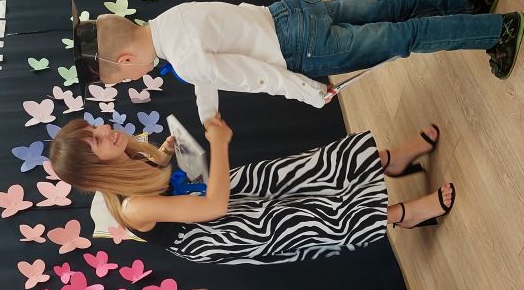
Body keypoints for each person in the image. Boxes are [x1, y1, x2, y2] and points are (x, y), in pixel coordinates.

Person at [70, 0, 524, 123]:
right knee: (386, 7)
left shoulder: (184, 61)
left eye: (124, 77)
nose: (132, 78)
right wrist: (209, 117)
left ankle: (496, 31)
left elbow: (257, 75)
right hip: (292, 13)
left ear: (124, 61)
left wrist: (310, 93)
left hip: (303, 49)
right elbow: (211, 71)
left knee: (401, 38)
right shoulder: (172, 21)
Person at [49, 113, 453, 265]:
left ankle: (389, 160)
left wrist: (169, 150)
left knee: (296, 171)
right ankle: (404, 215)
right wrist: (219, 144)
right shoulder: (133, 207)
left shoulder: (129, 156)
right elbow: (215, 207)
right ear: (94, 170)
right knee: (306, 218)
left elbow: (169, 174)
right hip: (213, 231)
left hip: (201, 200)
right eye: (96, 140)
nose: (105, 129)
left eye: (94, 128)